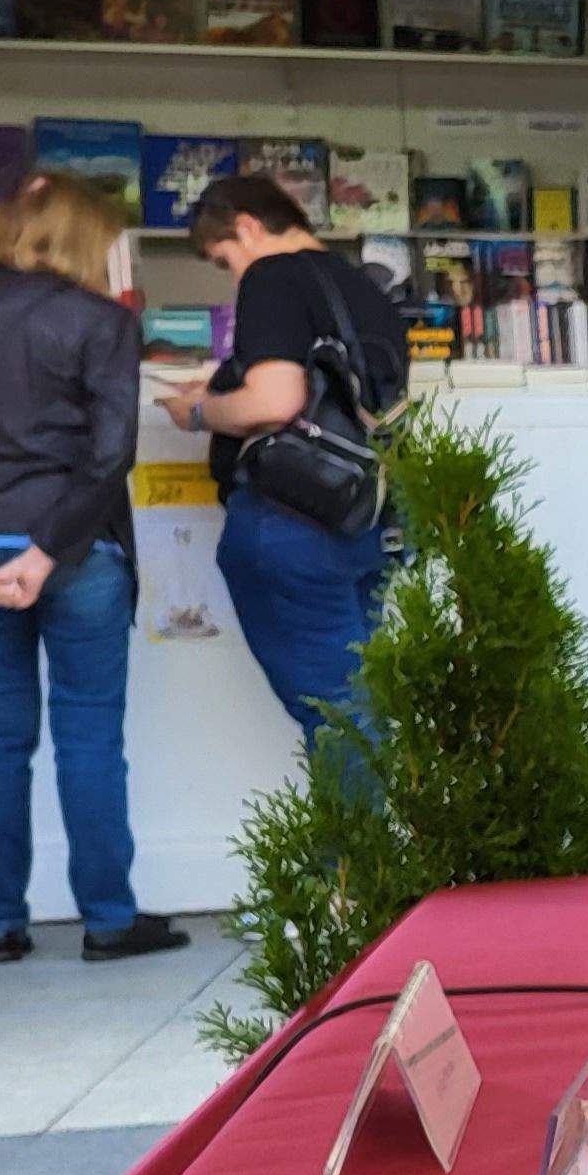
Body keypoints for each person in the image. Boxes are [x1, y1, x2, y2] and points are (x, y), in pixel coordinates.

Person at [0, 173, 189, 963]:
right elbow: (110, 454)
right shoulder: (101, 320)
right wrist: (44, 551)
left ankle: (0, 927)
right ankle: (110, 920)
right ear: (89, 238)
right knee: (87, 735)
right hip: (74, 549)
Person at [157, 173, 408, 746]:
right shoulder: (361, 285)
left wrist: (199, 411)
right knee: (361, 707)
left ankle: (356, 838)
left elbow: (276, 402)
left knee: (343, 722)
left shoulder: (273, 277)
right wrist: (227, 384)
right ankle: (376, 834)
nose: (233, 276)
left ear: (246, 227)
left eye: (225, 261)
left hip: (295, 525)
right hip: (368, 519)